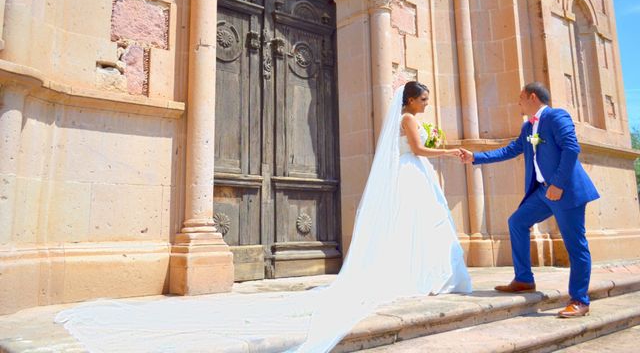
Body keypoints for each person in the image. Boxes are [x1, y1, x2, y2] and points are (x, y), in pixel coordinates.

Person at [55, 82, 472, 353]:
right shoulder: (407, 119)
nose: (426, 103)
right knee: (417, 226)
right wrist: (448, 151)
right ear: (411, 100)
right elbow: (417, 150)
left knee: (416, 228)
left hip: (414, 180)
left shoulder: (410, 119)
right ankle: (422, 276)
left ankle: (421, 275)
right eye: (424, 98)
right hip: (414, 174)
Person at [460, 82, 599, 318]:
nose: (518, 103)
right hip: (543, 192)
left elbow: (571, 149)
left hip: (566, 191)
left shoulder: (556, 116)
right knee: (517, 222)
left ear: (532, 97)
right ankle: (524, 279)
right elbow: (510, 150)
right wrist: (475, 157)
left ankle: (579, 300)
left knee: (576, 246)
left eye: (520, 98)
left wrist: (558, 184)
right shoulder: (528, 128)